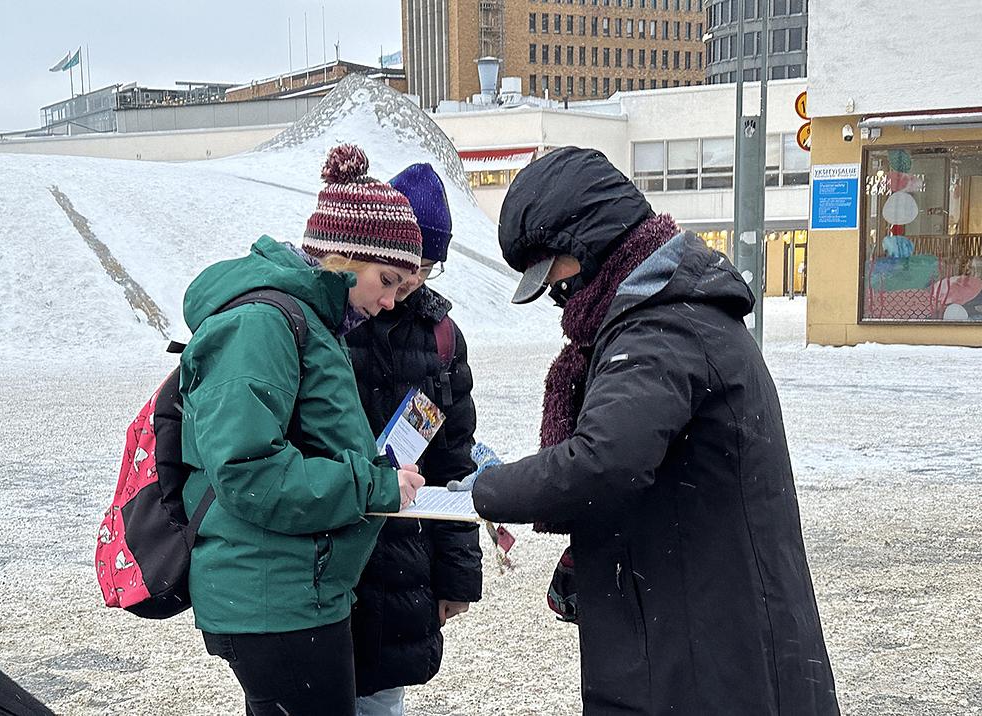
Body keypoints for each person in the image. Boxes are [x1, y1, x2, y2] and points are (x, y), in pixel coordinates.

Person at [469, 147, 840, 715]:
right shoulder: (667, 311)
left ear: (591, 245)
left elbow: (604, 460)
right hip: (699, 626)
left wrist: (485, 488)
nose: (558, 298)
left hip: (708, 650)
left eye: (556, 275)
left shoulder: (659, 327)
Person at [179, 144, 426, 716]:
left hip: (294, 594)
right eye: (386, 280)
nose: (389, 302)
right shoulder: (262, 323)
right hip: (273, 599)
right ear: (341, 257)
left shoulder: (307, 320)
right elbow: (249, 472)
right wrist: (374, 487)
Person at [347, 163, 483, 716]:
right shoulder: (330, 319)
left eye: (426, 271)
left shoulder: (442, 339)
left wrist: (457, 573)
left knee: (381, 700)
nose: (409, 286)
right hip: (323, 551)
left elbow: (455, 457)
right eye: (400, 272)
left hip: (401, 563)